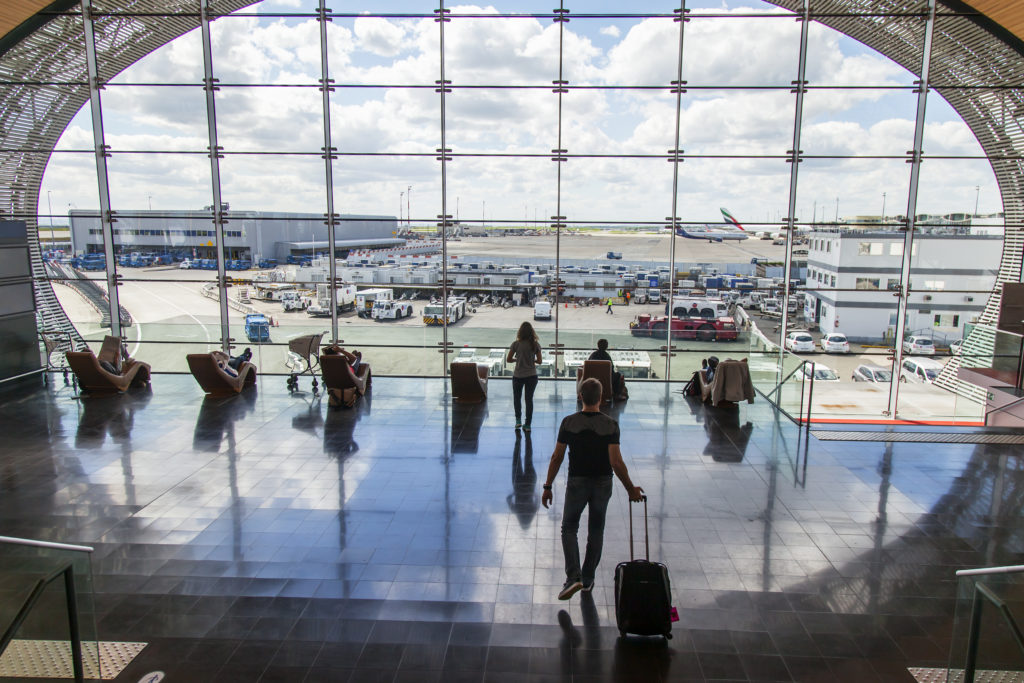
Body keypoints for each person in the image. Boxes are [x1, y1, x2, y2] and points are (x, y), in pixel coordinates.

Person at [542, 378, 644, 600]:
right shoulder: (610, 425)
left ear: (580, 397)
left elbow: (557, 457)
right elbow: (616, 462)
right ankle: (587, 578)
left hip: (577, 481)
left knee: (569, 528)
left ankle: (573, 577)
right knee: (596, 530)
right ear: (601, 398)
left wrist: (548, 486)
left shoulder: (569, 423)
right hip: (603, 482)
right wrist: (630, 489)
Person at [506, 322, 543, 431]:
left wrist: (517, 359)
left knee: (517, 398)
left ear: (520, 332)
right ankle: (527, 425)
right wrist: (532, 360)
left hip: (518, 375)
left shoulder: (516, 344)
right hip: (532, 375)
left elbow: (508, 359)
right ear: (532, 332)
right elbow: (540, 361)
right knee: (529, 400)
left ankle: (518, 420)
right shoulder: (535, 344)